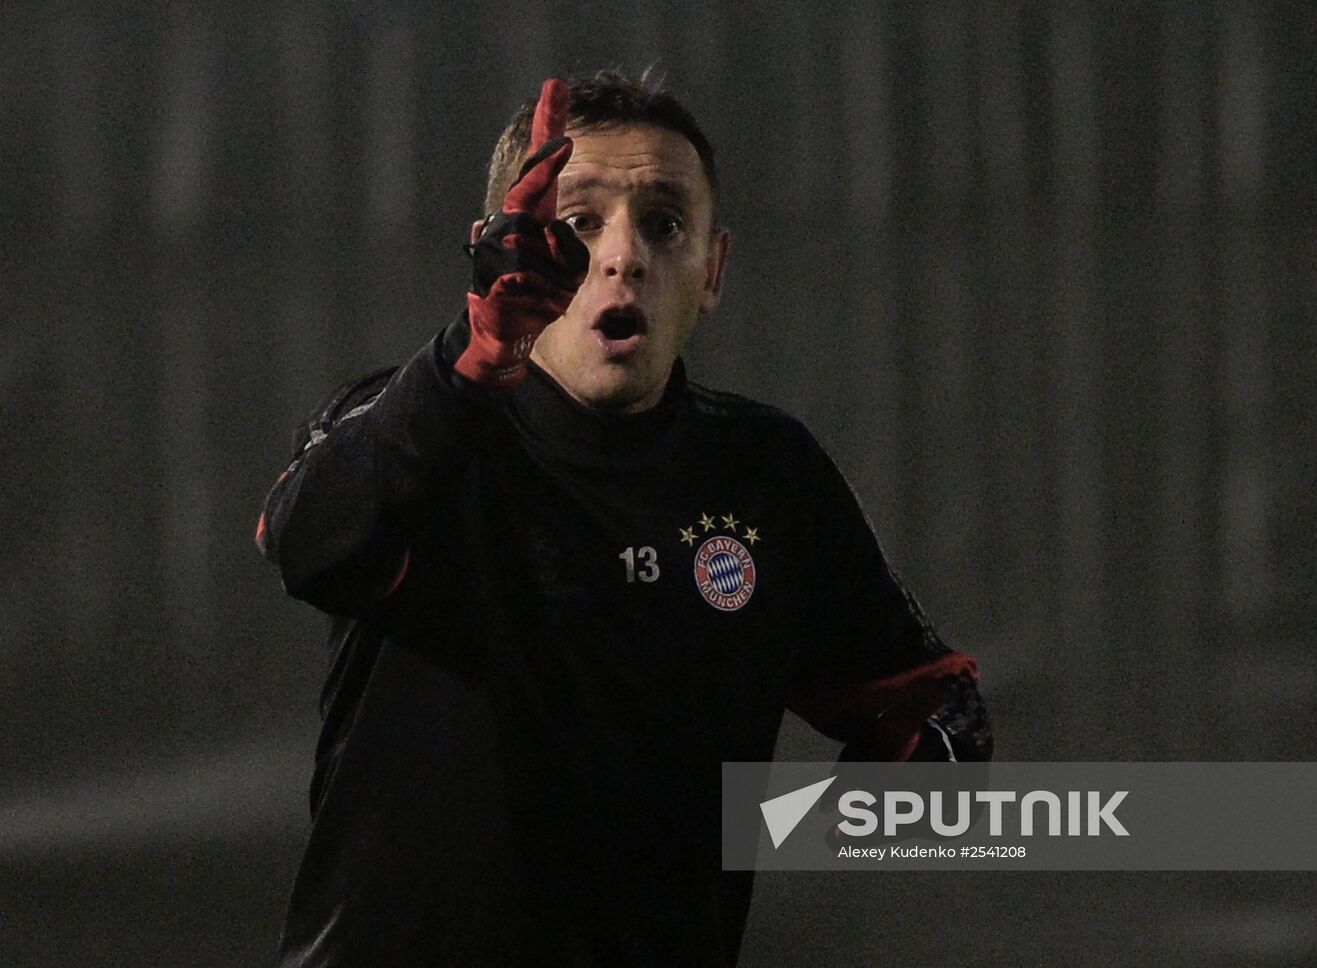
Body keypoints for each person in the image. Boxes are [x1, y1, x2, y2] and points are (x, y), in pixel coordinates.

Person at [256, 70, 991, 967]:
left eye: (664, 222)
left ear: (712, 271)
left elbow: (923, 706)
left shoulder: (767, 475)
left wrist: (920, 759)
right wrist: (469, 355)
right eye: (578, 223)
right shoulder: (412, 431)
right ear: (503, 249)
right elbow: (305, 545)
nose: (622, 254)